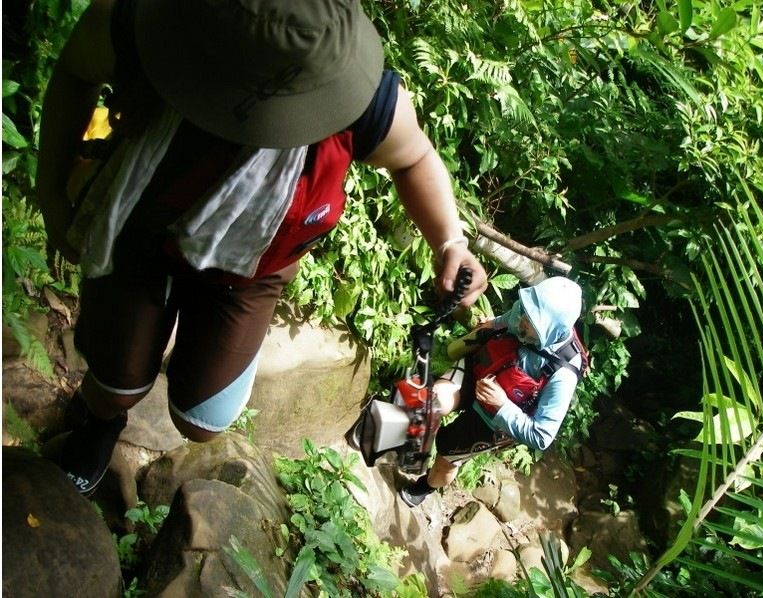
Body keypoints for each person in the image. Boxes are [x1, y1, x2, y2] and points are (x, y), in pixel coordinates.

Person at [36, 0, 487, 496]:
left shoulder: (367, 101)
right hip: (142, 233)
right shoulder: (143, 22)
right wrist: (53, 193)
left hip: (253, 268)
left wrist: (450, 240)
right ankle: (100, 422)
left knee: (202, 422)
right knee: (117, 381)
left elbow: (415, 157)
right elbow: (76, 73)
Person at [399, 276, 585, 508]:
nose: (523, 321)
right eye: (526, 312)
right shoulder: (525, 312)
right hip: (482, 368)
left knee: (447, 458)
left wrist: (501, 404)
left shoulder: (563, 375)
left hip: (497, 418)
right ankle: (404, 441)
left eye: (534, 323)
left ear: (552, 331)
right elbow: (501, 323)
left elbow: (542, 436)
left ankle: (425, 486)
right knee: (435, 400)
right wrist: (486, 327)